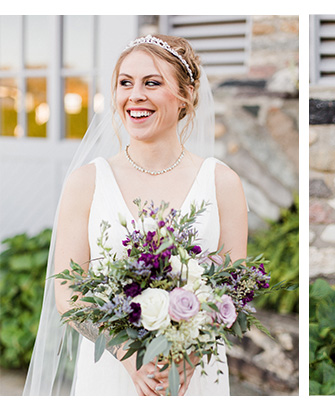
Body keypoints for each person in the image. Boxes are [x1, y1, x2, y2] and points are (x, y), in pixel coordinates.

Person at [23, 34, 246, 396]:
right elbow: (68, 294)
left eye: (152, 83)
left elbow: (234, 289)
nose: (135, 95)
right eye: (125, 83)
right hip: (111, 372)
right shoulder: (86, 182)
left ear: (186, 95)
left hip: (193, 373)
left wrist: (190, 355)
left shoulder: (222, 182)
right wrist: (127, 354)